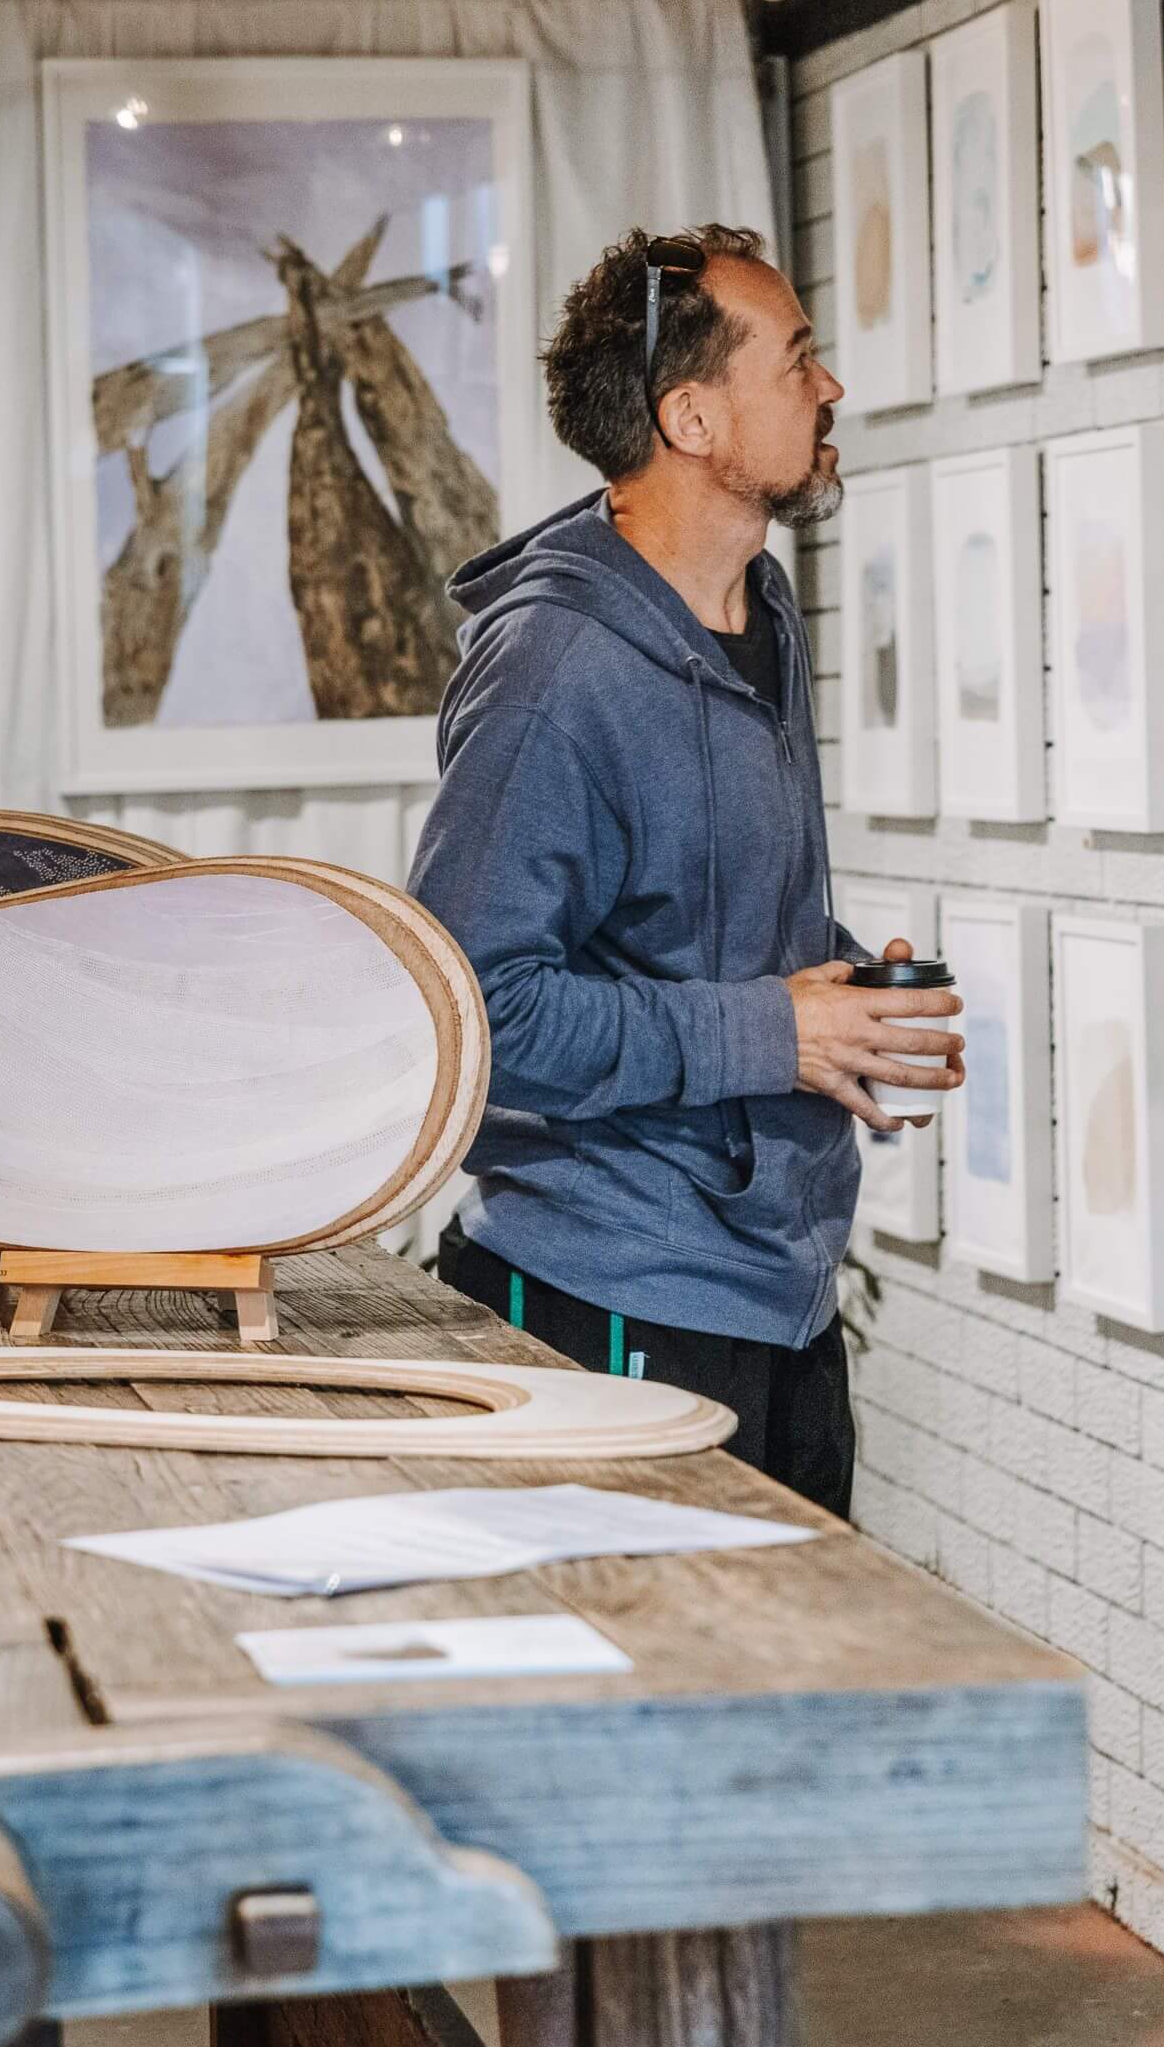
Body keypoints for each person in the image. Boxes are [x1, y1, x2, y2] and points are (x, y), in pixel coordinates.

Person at [409, 224, 964, 1533]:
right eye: (800, 359)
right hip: (610, 1311)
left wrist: (837, 1003)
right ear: (694, 415)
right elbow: (465, 1012)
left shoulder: (759, 610)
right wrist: (776, 1028)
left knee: (795, 1719)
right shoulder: (553, 669)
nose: (829, 390)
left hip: (785, 1306)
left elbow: (692, 918)